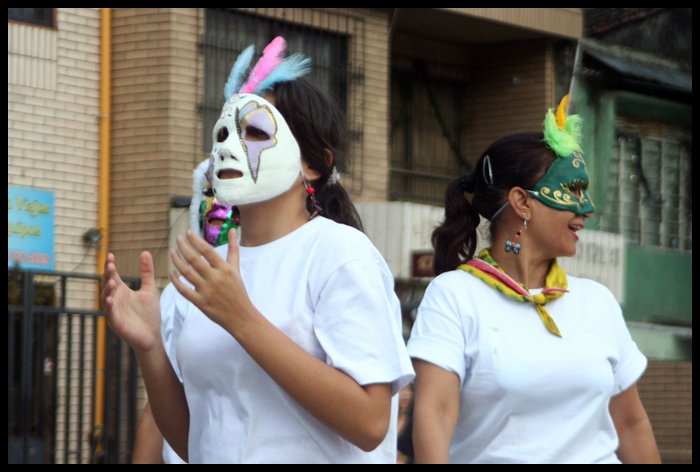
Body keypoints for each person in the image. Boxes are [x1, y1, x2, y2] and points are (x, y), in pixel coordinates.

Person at [102, 36, 414, 463]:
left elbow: (370, 423)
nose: (228, 146)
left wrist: (241, 318)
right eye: (223, 133)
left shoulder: (340, 254)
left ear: (313, 164)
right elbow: (194, 443)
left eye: (255, 132)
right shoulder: (208, 273)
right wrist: (151, 345)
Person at [407, 96, 660, 464]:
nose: (587, 208)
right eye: (572, 190)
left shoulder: (598, 301)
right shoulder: (454, 295)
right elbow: (436, 413)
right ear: (522, 202)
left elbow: (630, 423)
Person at [132, 160, 237, 463]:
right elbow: (159, 406)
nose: (217, 206)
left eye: (228, 194)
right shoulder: (178, 293)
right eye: (209, 192)